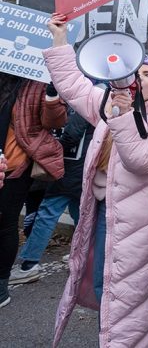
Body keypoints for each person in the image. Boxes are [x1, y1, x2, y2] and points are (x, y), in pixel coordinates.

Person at [45, 13, 148, 346]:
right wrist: (60, 39)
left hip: (140, 223)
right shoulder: (111, 103)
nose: (139, 77)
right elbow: (74, 85)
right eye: (137, 72)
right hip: (102, 208)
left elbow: (143, 159)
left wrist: (123, 116)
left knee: (125, 298)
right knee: (104, 288)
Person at [0, 73, 67, 309]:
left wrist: (51, 96)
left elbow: (55, 122)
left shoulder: (35, 81)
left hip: (14, 165)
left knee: (5, 222)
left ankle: (1, 287)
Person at [10, 107, 94, 284]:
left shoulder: (82, 101)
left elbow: (72, 134)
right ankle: (82, 257)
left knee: (47, 215)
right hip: (80, 170)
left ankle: (29, 265)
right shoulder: (94, 95)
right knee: (80, 215)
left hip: (67, 170)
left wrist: (48, 151)